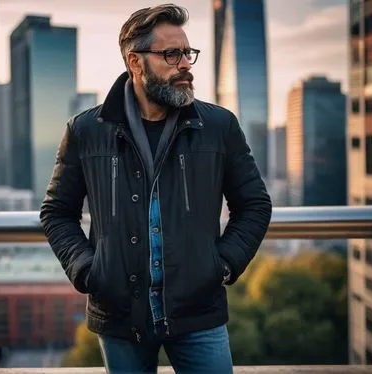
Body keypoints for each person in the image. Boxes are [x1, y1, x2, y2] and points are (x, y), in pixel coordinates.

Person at [40, 4, 272, 373]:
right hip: (118, 313)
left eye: (187, 52)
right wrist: (87, 269)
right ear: (135, 62)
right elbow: (56, 212)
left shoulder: (218, 126)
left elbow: (255, 204)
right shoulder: (86, 131)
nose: (185, 64)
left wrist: (222, 265)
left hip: (200, 312)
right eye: (171, 54)